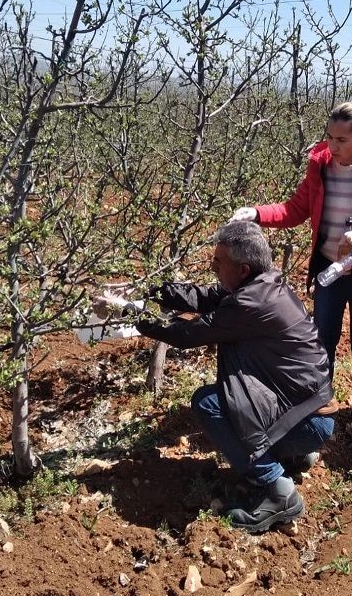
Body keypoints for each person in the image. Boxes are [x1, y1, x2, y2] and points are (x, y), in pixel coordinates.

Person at [94, 221, 336, 533]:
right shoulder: (265, 286)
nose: (213, 268)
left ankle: (278, 491)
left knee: (210, 404)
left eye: (218, 262)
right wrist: (148, 291)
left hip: (307, 423)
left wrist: (128, 311)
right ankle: (292, 456)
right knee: (237, 398)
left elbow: (184, 334)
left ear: (244, 269)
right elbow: (205, 296)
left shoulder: (250, 304)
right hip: (307, 414)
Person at [231, 102, 352, 460]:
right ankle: (315, 424)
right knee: (319, 347)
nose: (333, 146)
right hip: (329, 271)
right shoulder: (320, 166)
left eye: (342, 140)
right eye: (329, 137)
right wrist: (257, 214)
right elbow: (296, 209)